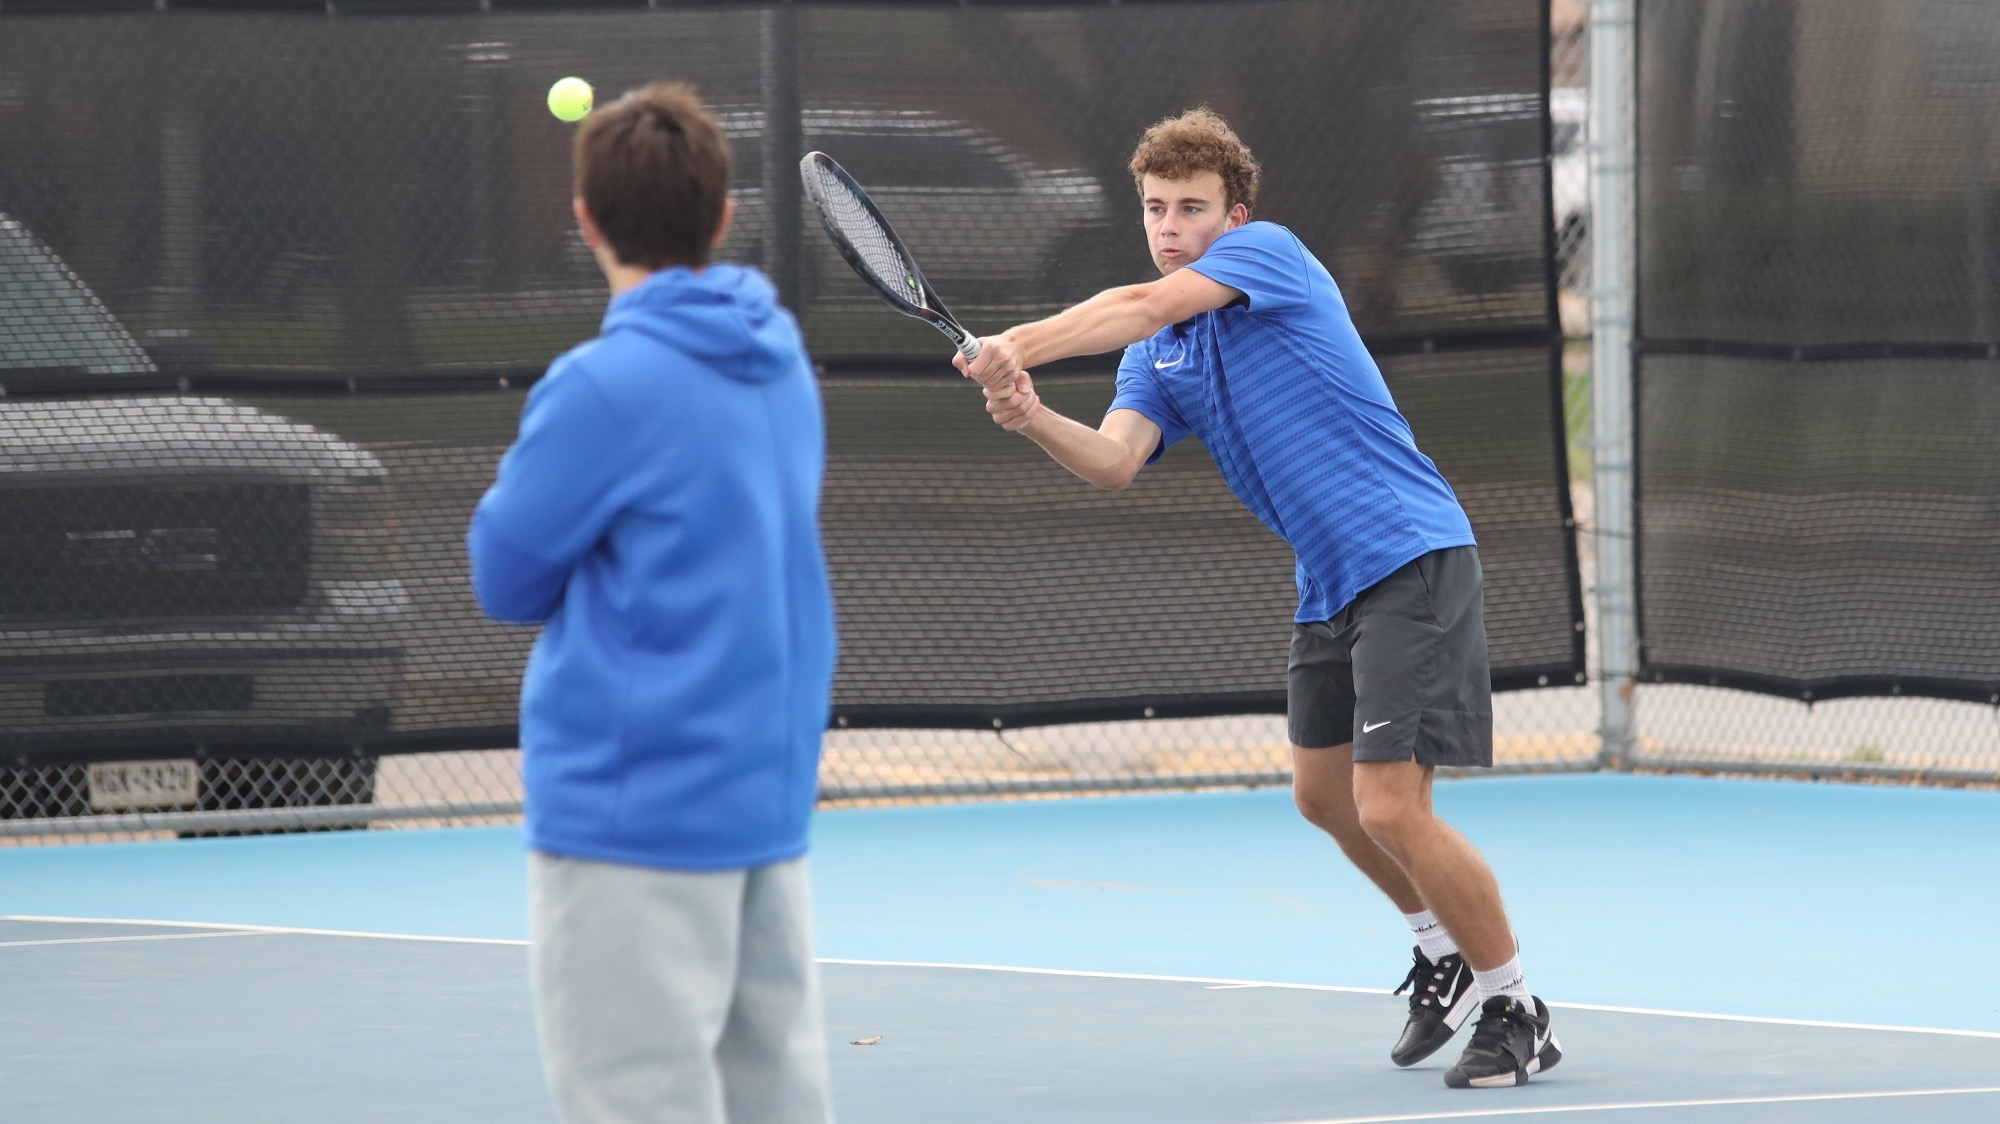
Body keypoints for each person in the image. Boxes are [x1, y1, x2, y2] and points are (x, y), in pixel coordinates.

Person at [957, 108, 1561, 1090]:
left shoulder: (1268, 256)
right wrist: (1028, 413)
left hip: (1408, 555)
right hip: (1327, 583)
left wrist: (1017, 340)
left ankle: (1514, 1002)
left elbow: (1142, 303)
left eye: (1189, 208)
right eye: (1153, 207)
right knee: (1322, 798)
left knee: (1390, 805)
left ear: (1232, 216)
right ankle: (1438, 949)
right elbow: (1113, 462)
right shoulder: (1156, 359)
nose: (1168, 225)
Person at [467, 82, 837, 1123]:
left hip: (632, 814)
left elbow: (504, 574)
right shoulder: (782, 365)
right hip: (762, 802)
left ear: (584, 220)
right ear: (720, 219)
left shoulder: (599, 384)